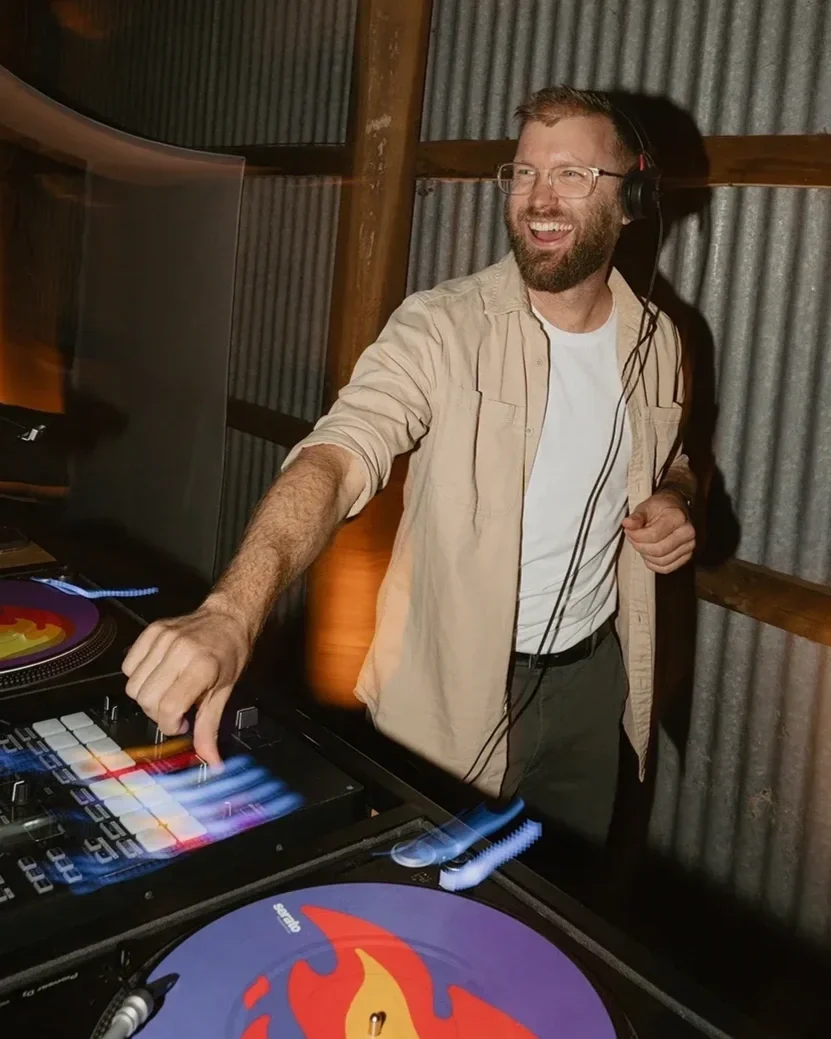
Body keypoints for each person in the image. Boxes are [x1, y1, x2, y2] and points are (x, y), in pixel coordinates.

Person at [122, 86, 695, 846]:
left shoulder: (661, 341)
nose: (538, 198)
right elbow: (337, 455)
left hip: (594, 684)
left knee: (553, 911)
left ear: (632, 200)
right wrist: (232, 610)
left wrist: (675, 497)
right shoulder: (439, 325)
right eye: (522, 173)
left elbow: (680, 456)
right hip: (448, 691)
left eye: (571, 175)